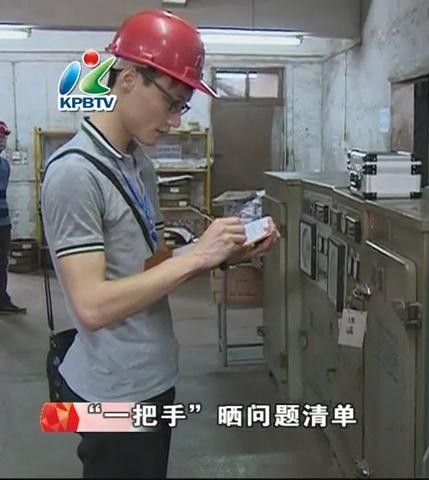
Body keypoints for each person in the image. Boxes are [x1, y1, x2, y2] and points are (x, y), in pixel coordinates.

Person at [40, 9, 279, 479]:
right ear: (129, 79)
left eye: (181, 108)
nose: (173, 121)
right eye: (171, 103)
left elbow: (147, 269)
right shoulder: (74, 174)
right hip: (114, 392)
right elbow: (91, 305)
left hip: (151, 375)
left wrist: (217, 255)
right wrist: (201, 254)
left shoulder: (138, 165)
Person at [0, 120, 27, 315]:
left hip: (3, 223)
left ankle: (2, 299)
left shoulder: (5, 166)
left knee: (2, 263)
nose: (2, 140)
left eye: (4, 137)